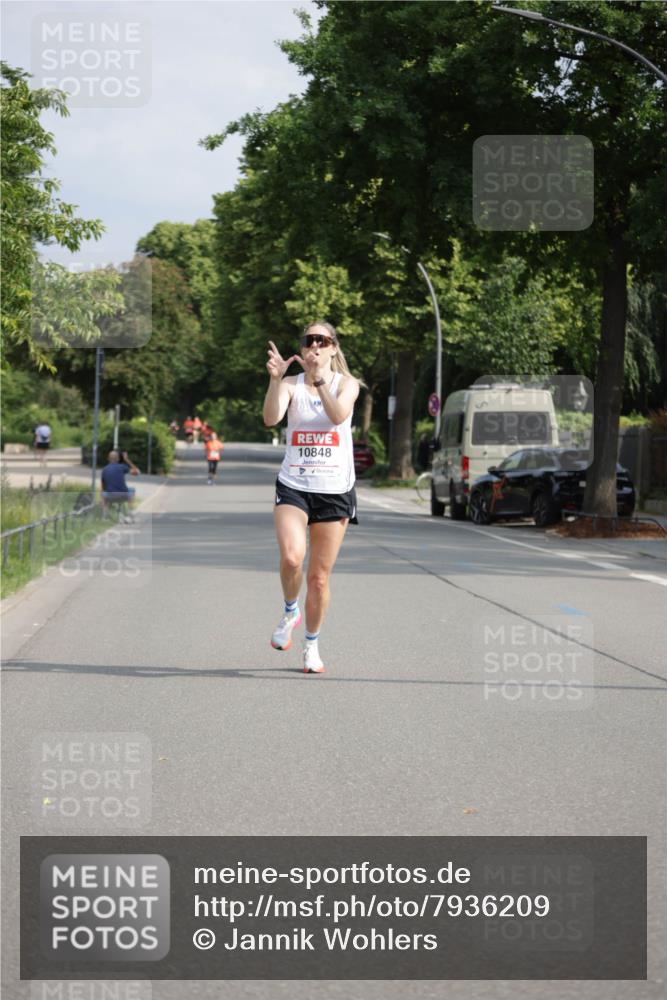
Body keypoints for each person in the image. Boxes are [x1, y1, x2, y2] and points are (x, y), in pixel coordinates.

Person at [263, 321, 361, 674]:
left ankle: (311, 644)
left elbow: (338, 416)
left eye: (322, 341)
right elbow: (271, 418)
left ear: (334, 348)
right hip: (294, 483)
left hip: (335, 489)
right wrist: (276, 380)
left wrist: (319, 380)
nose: (315, 346)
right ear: (303, 347)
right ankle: (291, 610)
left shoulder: (346, 384)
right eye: (309, 341)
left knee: (319, 578)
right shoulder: (291, 385)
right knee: (292, 558)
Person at [100, 450, 139, 521]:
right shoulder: (122, 467)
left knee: (103, 493)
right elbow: (137, 472)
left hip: (110, 497)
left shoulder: (104, 469)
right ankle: (130, 511)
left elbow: (103, 487)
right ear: (118, 459)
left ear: (108, 459)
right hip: (124, 496)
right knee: (132, 489)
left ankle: (104, 516)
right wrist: (127, 460)